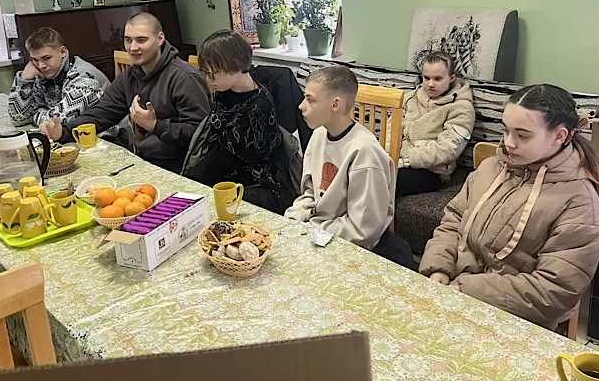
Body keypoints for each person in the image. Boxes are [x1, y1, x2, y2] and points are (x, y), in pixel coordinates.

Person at [419, 84, 599, 330]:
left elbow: (553, 291)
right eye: (505, 130)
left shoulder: (579, 202)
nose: (509, 143)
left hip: (514, 322)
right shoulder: (491, 168)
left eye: (522, 135)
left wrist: (465, 290)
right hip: (455, 294)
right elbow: (453, 220)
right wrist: (438, 269)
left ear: (559, 137)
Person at [40, 13, 210, 172]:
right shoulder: (129, 77)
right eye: (128, 40)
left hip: (180, 168)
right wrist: (63, 132)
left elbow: (200, 134)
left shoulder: (185, 77)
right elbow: (102, 114)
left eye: (141, 40)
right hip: (142, 161)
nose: (133, 48)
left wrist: (155, 126)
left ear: (160, 39)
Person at [285, 66, 414, 268]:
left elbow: (363, 230)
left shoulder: (365, 153)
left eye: (311, 100)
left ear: (335, 104)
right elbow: (311, 193)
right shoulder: (319, 134)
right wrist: (294, 218)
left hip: (351, 246)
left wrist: (314, 230)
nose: (301, 106)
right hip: (320, 231)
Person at [183, 30, 287, 212]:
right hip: (223, 173)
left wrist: (187, 183)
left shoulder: (257, 108)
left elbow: (224, 159)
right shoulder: (226, 90)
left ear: (236, 67)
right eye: (206, 73)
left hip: (252, 187)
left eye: (213, 74)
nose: (208, 80)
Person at [398, 51, 475, 197]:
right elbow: (392, 127)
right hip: (397, 160)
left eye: (438, 79)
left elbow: (448, 148)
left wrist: (406, 161)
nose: (430, 84)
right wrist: (386, 155)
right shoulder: (410, 98)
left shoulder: (462, 108)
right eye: (426, 78)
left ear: (451, 78)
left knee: (382, 181)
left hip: (432, 171)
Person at [8, 27, 108, 127]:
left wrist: (32, 115)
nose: (41, 65)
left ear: (63, 52)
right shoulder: (42, 73)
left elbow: (56, 123)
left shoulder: (85, 79)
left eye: (46, 58)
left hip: (104, 134)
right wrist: (24, 80)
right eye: (35, 60)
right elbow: (17, 119)